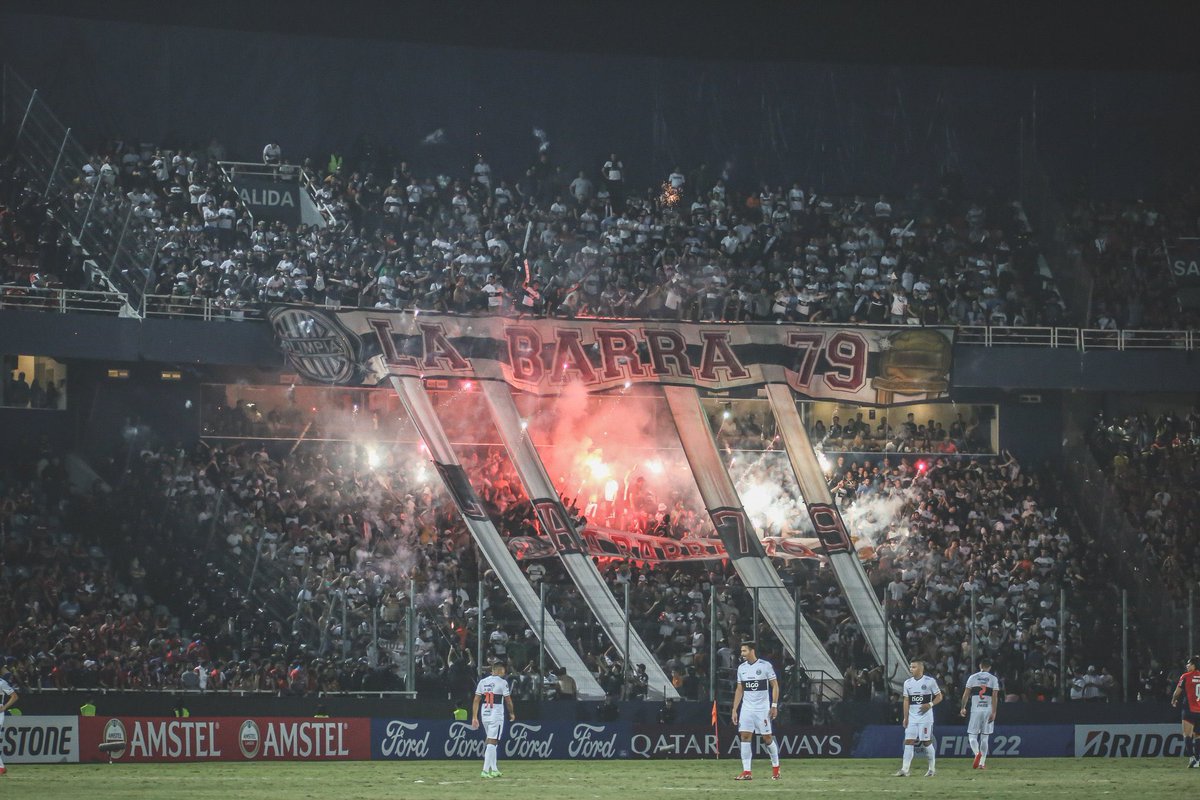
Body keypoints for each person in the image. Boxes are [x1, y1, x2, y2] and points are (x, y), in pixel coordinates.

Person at [731, 642, 781, 781]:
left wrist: (774, 705)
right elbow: (739, 689)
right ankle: (747, 771)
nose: (742, 654)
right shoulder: (741, 668)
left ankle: (776, 768)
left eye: (744, 651)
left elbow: (775, 685)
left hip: (762, 709)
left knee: (767, 738)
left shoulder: (765, 666)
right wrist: (735, 709)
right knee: (745, 737)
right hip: (747, 709)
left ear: (752, 651)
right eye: (741, 651)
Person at [895, 660, 942, 777]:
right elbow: (906, 701)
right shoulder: (907, 683)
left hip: (925, 718)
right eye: (910, 667)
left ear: (921, 669)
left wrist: (930, 704)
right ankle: (905, 770)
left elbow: (939, 696)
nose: (911, 669)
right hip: (912, 718)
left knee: (926, 742)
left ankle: (932, 769)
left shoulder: (929, 681)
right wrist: (905, 717)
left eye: (914, 667)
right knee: (908, 741)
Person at [472, 663, 515, 779]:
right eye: (503, 670)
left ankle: (494, 769)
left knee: (492, 741)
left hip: (484, 713)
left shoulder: (483, 682)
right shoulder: (503, 682)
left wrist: (474, 717)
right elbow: (508, 700)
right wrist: (511, 713)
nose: (504, 673)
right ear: (499, 670)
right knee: (492, 741)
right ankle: (485, 770)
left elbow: (476, 700)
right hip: (496, 715)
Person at [960, 657, 999, 770]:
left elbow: (966, 694)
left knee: (972, 736)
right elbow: (995, 697)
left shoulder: (973, 677)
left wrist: (963, 707)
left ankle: (977, 753)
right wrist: (994, 711)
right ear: (989, 667)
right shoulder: (993, 679)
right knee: (984, 737)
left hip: (976, 709)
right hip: (987, 709)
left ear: (980, 666)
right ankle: (982, 763)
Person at [1170, 655, 1200, 768]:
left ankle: (1192, 758)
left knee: (1187, 735)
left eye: (1189, 663)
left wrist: (1173, 700)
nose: (1187, 665)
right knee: (1198, 736)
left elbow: (1177, 692)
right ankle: (1198, 760)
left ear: (1194, 665)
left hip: (1189, 709)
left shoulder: (1185, 676)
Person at [0, 674, 19, 775]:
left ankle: (1, 768)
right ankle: (1, 767)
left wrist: (4, 707)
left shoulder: (1, 683)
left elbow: (14, 696)